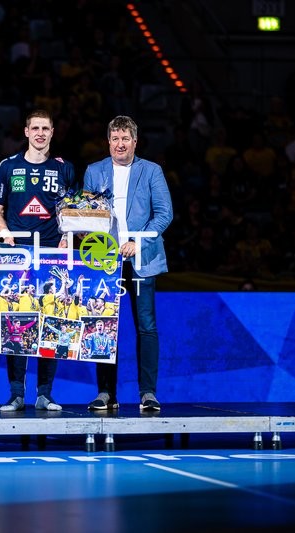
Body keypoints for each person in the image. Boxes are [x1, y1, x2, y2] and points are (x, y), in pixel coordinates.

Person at [82, 115, 173, 411]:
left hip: (141, 259)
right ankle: (106, 393)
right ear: (108, 142)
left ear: (135, 142)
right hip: (105, 262)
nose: (120, 144)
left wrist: (138, 241)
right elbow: (88, 214)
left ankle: (148, 393)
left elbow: (164, 213)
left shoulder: (151, 171)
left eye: (125, 139)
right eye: (115, 139)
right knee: (103, 326)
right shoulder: (94, 171)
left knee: (146, 327)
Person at [0, 109, 77, 412]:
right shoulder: (8, 167)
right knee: (17, 325)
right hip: (18, 257)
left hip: (52, 256)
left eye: (46, 128)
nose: (40, 133)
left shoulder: (64, 168)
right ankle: (16, 394)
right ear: (26, 132)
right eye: (35, 128)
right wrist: (3, 231)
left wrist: (67, 236)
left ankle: (45, 394)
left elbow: (70, 211)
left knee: (50, 324)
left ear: (52, 132)